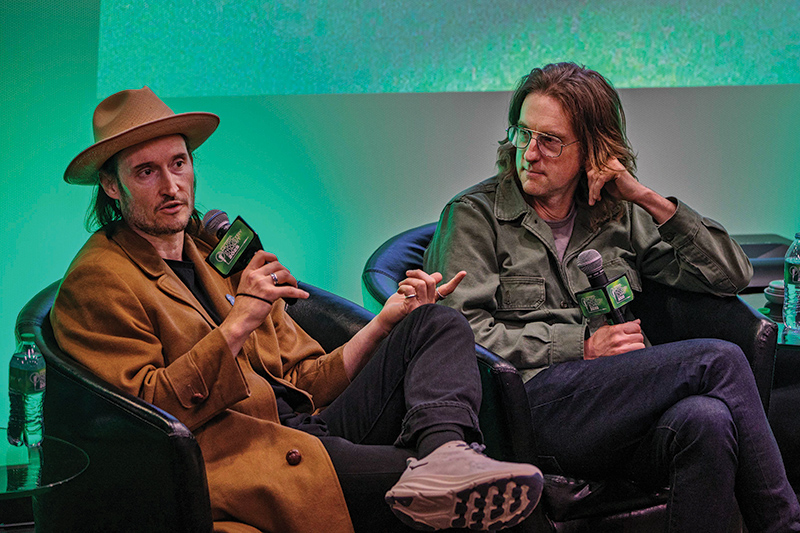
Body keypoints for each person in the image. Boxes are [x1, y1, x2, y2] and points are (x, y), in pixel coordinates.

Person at [51, 87, 544, 533]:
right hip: (247, 454)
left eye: (178, 163)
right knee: (479, 499)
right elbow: (146, 411)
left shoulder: (212, 255)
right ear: (112, 187)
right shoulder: (99, 281)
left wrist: (386, 322)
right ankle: (445, 469)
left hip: (308, 425)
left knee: (436, 322)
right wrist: (239, 321)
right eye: (146, 172)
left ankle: (445, 453)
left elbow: (305, 379)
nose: (171, 186)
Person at [424, 62, 800, 532]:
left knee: (707, 420)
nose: (530, 154)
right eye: (523, 134)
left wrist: (646, 197)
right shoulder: (473, 217)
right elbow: (456, 335)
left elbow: (731, 275)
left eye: (551, 140)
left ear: (592, 150)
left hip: (613, 404)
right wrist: (577, 347)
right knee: (719, 361)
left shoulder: (616, 213)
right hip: (527, 406)